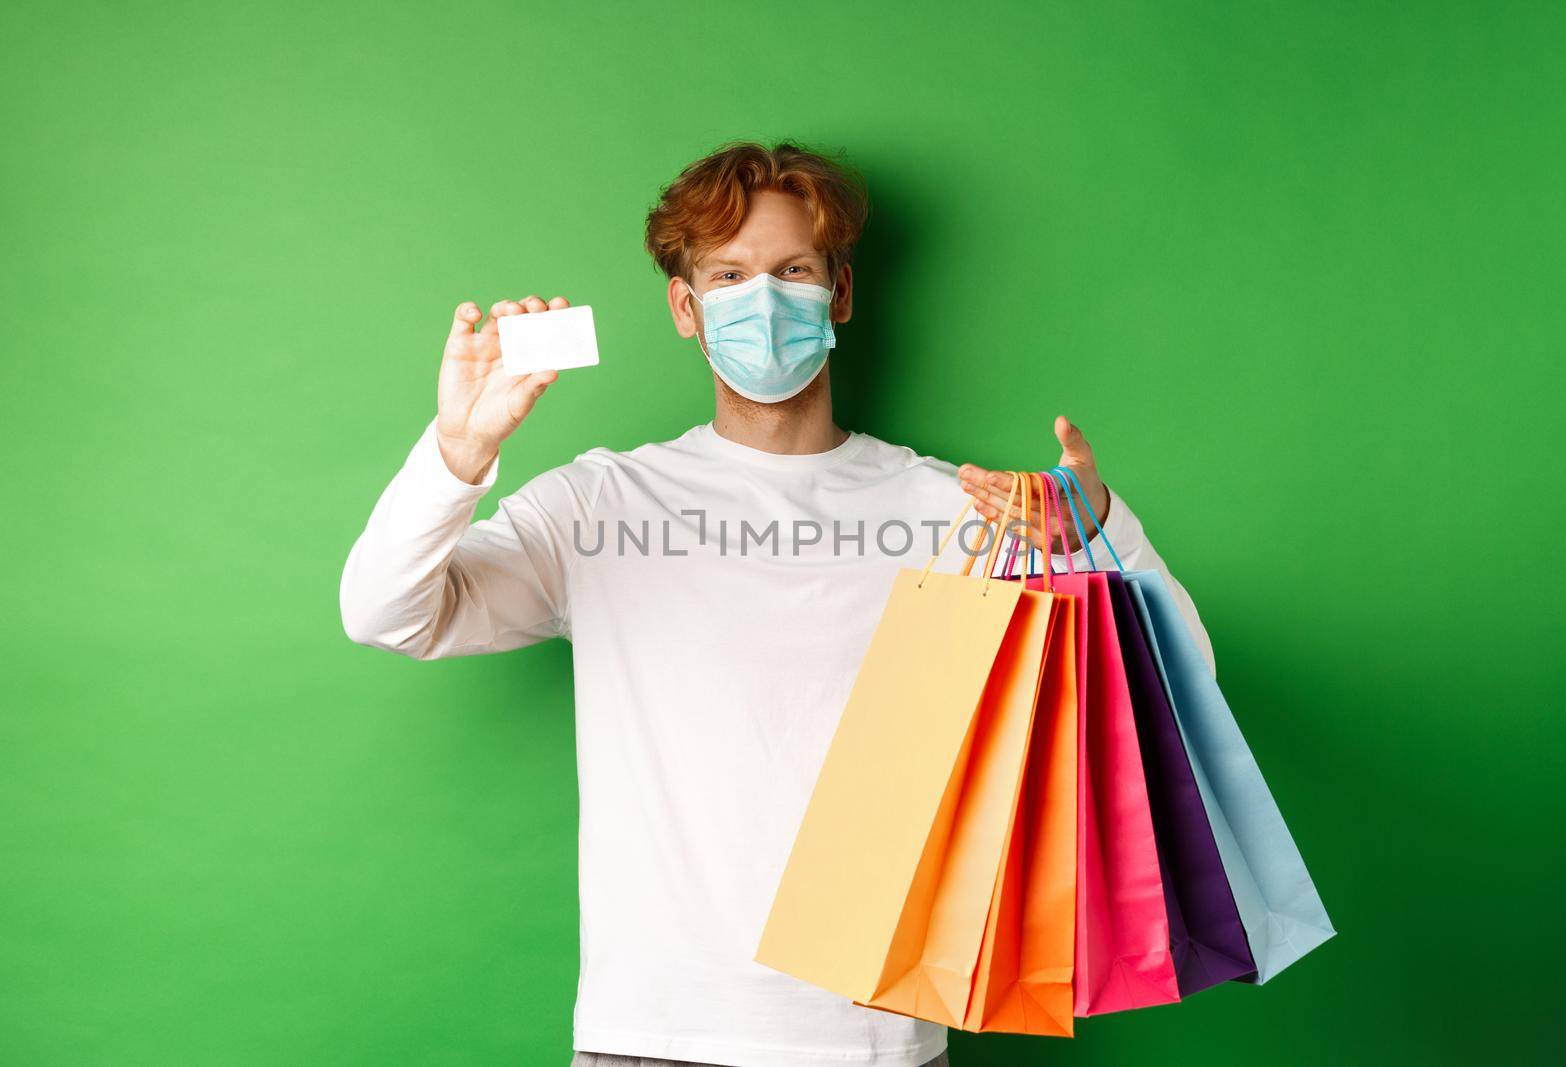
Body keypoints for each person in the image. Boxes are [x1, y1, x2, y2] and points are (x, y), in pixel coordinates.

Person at [340, 140, 1213, 1067]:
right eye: (728, 273)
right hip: (651, 1035)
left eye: (793, 269)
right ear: (687, 306)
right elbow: (387, 613)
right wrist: (457, 453)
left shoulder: (953, 510)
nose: (763, 297)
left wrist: (1100, 532)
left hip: (875, 1040)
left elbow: (1175, 683)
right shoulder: (600, 506)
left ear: (839, 294)